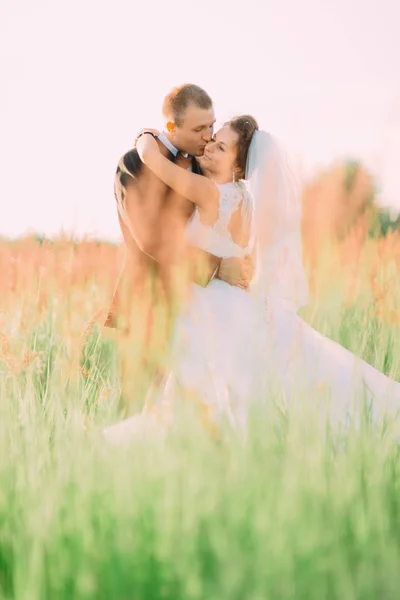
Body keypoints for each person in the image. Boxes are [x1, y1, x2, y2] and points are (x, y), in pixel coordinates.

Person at [103, 115, 400, 443]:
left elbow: (156, 164)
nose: (209, 148)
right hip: (232, 295)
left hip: (207, 297)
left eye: (220, 146)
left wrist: (146, 139)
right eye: (212, 141)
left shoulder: (206, 191)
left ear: (239, 168)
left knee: (204, 380)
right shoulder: (246, 200)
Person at [103, 84, 252, 411]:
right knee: (138, 409)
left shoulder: (206, 165)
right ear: (172, 128)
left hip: (201, 309)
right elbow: (152, 238)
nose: (208, 137)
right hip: (149, 306)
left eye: (211, 126)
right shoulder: (133, 163)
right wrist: (215, 265)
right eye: (200, 128)